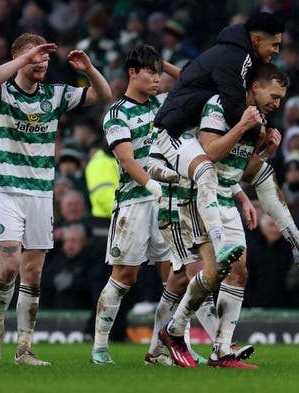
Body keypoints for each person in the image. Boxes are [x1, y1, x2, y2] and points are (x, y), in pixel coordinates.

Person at [159, 63, 299, 368]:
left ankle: (216, 349)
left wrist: (265, 151)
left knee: (238, 273)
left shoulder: (259, 117)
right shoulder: (220, 106)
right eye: (274, 95)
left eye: (282, 98)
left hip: (225, 196)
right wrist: (243, 127)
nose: (277, 103)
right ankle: (175, 331)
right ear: (255, 87)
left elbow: (237, 167)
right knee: (215, 271)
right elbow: (211, 153)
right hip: (200, 197)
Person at [0, 32, 112, 366]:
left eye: (45, 58)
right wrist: (24, 58)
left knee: (33, 273)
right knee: (8, 266)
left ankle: (24, 349)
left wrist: (89, 68)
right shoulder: (3, 94)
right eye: (35, 57)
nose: (42, 62)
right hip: (8, 189)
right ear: (19, 58)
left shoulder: (54, 96)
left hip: (41, 194)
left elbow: (104, 94)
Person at [148, 12, 285, 269]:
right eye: (274, 44)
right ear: (256, 40)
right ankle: (221, 244)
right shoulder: (239, 58)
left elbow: (191, 74)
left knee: (215, 276)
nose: (277, 50)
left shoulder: (227, 52)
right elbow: (234, 112)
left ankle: (296, 242)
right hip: (175, 135)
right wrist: (256, 130)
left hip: (187, 143)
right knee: (191, 273)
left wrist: (245, 193)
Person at [89, 45, 181, 365]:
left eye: (159, 73)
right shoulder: (116, 114)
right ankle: (100, 347)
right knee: (125, 276)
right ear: (132, 73)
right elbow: (126, 158)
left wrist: (161, 61)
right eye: (150, 72)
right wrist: (152, 185)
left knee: (175, 278)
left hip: (165, 203)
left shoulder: (162, 102)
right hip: (134, 204)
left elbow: (196, 83)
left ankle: (157, 350)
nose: (157, 79)